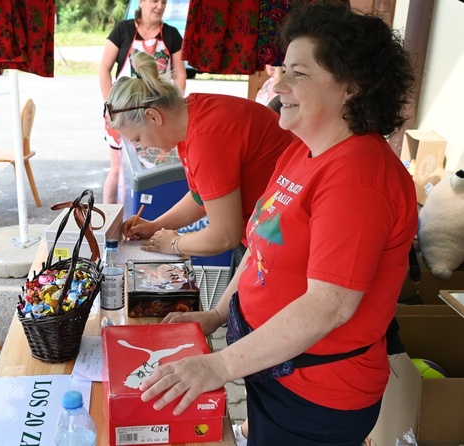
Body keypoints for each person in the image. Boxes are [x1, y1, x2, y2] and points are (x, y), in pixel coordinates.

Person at [138, 4, 418, 445]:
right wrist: (216, 314)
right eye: (282, 69)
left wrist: (219, 365)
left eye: (299, 74)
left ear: (353, 88)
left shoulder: (359, 177)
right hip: (271, 366)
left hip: (317, 395)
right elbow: (258, 247)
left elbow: (330, 306)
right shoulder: (300, 149)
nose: (278, 85)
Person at [108, 51, 295, 260]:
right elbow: (203, 198)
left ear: (152, 116)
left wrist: (173, 244)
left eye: (137, 138)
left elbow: (225, 235)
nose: (141, 147)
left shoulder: (206, 139)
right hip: (267, 234)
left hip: (286, 241)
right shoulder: (191, 114)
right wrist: (155, 226)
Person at [99, 0, 187, 204]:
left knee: (154, 173)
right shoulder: (123, 29)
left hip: (156, 116)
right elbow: (104, 69)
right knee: (118, 168)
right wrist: (111, 106)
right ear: (141, 2)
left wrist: (172, 109)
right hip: (122, 112)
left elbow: (179, 75)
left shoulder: (172, 34)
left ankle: (148, 217)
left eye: (164, 2)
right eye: (155, 1)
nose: (160, 6)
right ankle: (108, 217)